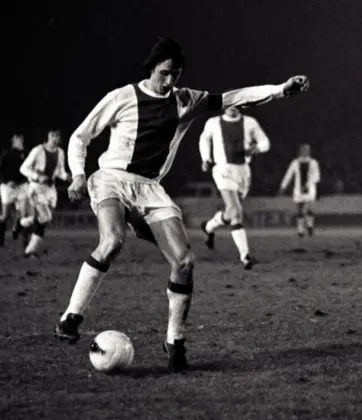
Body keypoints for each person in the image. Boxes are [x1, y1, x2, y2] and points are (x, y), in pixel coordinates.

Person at [55, 37, 310, 373]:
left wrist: (279, 90)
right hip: (111, 179)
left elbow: (233, 97)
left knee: (185, 261)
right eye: (164, 73)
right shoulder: (123, 97)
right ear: (151, 69)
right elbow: (80, 136)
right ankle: (71, 317)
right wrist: (77, 175)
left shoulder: (186, 100)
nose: (169, 80)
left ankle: (174, 341)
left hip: (150, 189)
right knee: (113, 240)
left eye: (175, 74)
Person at [198, 106, 269, 268]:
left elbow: (265, 142)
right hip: (223, 170)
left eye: (238, 103)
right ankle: (245, 256)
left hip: (243, 172)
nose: (234, 106)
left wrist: (256, 148)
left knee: (231, 212)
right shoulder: (213, 122)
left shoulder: (250, 122)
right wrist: (205, 158)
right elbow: (204, 139)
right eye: (230, 103)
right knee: (236, 212)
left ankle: (209, 226)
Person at [19, 128, 69, 257]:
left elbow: (59, 171)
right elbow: (23, 168)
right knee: (46, 217)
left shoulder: (60, 152)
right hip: (37, 188)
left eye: (57, 135)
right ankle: (29, 251)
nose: (55, 138)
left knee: (44, 220)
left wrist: (66, 176)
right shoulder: (38, 150)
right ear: (47, 136)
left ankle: (25, 224)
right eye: (52, 135)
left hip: (50, 190)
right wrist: (37, 176)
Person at [278, 143, 321, 237]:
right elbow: (289, 174)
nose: (306, 151)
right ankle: (300, 230)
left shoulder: (313, 163)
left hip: (310, 189)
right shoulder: (295, 163)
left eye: (307, 150)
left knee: (310, 208)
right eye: (304, 150)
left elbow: (317, 176)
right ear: (300, 151)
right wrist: (283, 186)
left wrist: (307, 185)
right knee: (300, 210)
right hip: (298, 189)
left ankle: (310, 227)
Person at [0, 133, 29, 247]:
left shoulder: (26, 154)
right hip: (8, 187)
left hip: (21, 186)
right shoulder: (6, 154)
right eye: (18, 139)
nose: (20, 141)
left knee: (24, 215)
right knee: (5, 215)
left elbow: (30, 169)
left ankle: (23, 241)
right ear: (13, 140)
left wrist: (25, 180)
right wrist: (7, 182)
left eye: (21, 139)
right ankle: (1, 242)